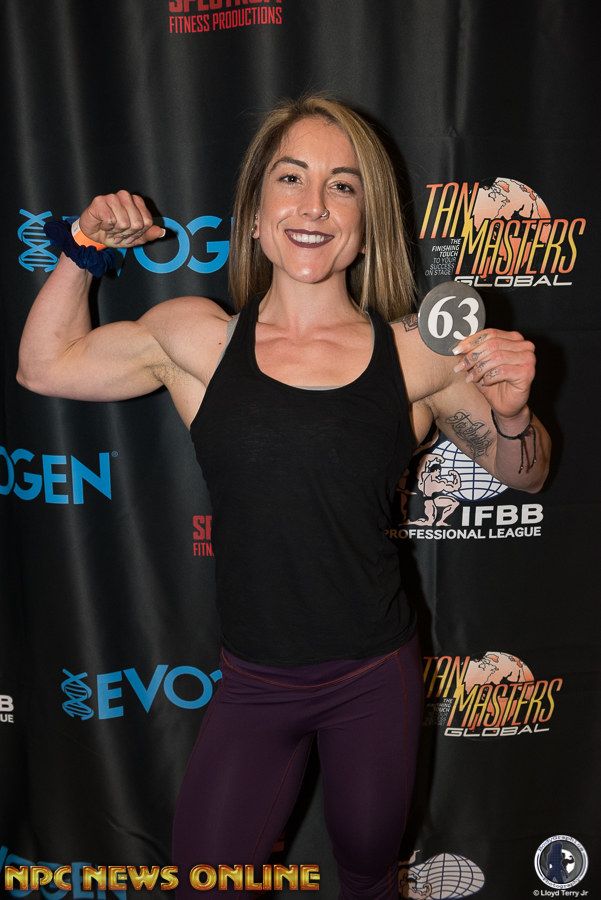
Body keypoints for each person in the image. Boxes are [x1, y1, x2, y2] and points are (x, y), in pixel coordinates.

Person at [17, 96, 550, 899]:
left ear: (365, 224)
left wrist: (510, 415)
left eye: (342, 185)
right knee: (208, 883)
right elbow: (43, 368)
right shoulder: (197, 338)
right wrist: (85, 248)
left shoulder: (416, 353)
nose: (314, 205)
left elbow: (526, 473)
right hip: (254, 681)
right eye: (291, 178)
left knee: (368, 872)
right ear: (256, 212)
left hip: (373, 677)